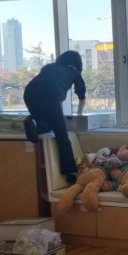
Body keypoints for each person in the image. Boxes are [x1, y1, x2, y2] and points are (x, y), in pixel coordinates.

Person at [23, 50, 86, 183]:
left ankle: (33, 122)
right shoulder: (74, 73)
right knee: (61, 134)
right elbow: (82, 99)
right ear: (77, 64)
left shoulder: (49, 67)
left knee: (46, 123)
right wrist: (79, 115)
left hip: (29, 91)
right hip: (50, 92)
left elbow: (43, 83)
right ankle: (71, 173)